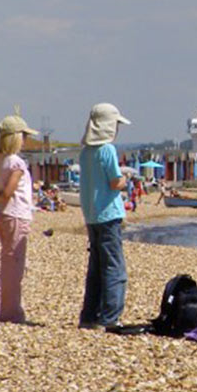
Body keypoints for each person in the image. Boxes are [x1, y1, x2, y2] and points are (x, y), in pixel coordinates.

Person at [77, 103, 131, 329]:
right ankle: (110, 318)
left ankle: (89, 316)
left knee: (96, 268)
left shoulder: (85, 152)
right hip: (109, 215)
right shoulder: (107, 150)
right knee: (114, 267)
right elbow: (114, 182)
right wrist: (125, 180)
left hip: (91, 215)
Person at [0, 112, 38, 323]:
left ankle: (7, 310)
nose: (26, 141)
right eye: (24, 136)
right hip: (16, 214)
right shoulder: (16, 163)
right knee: (15, 264)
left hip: (2, 214)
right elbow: (8, 192)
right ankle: (12, 312)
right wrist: (1, 203)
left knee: (7, 262)